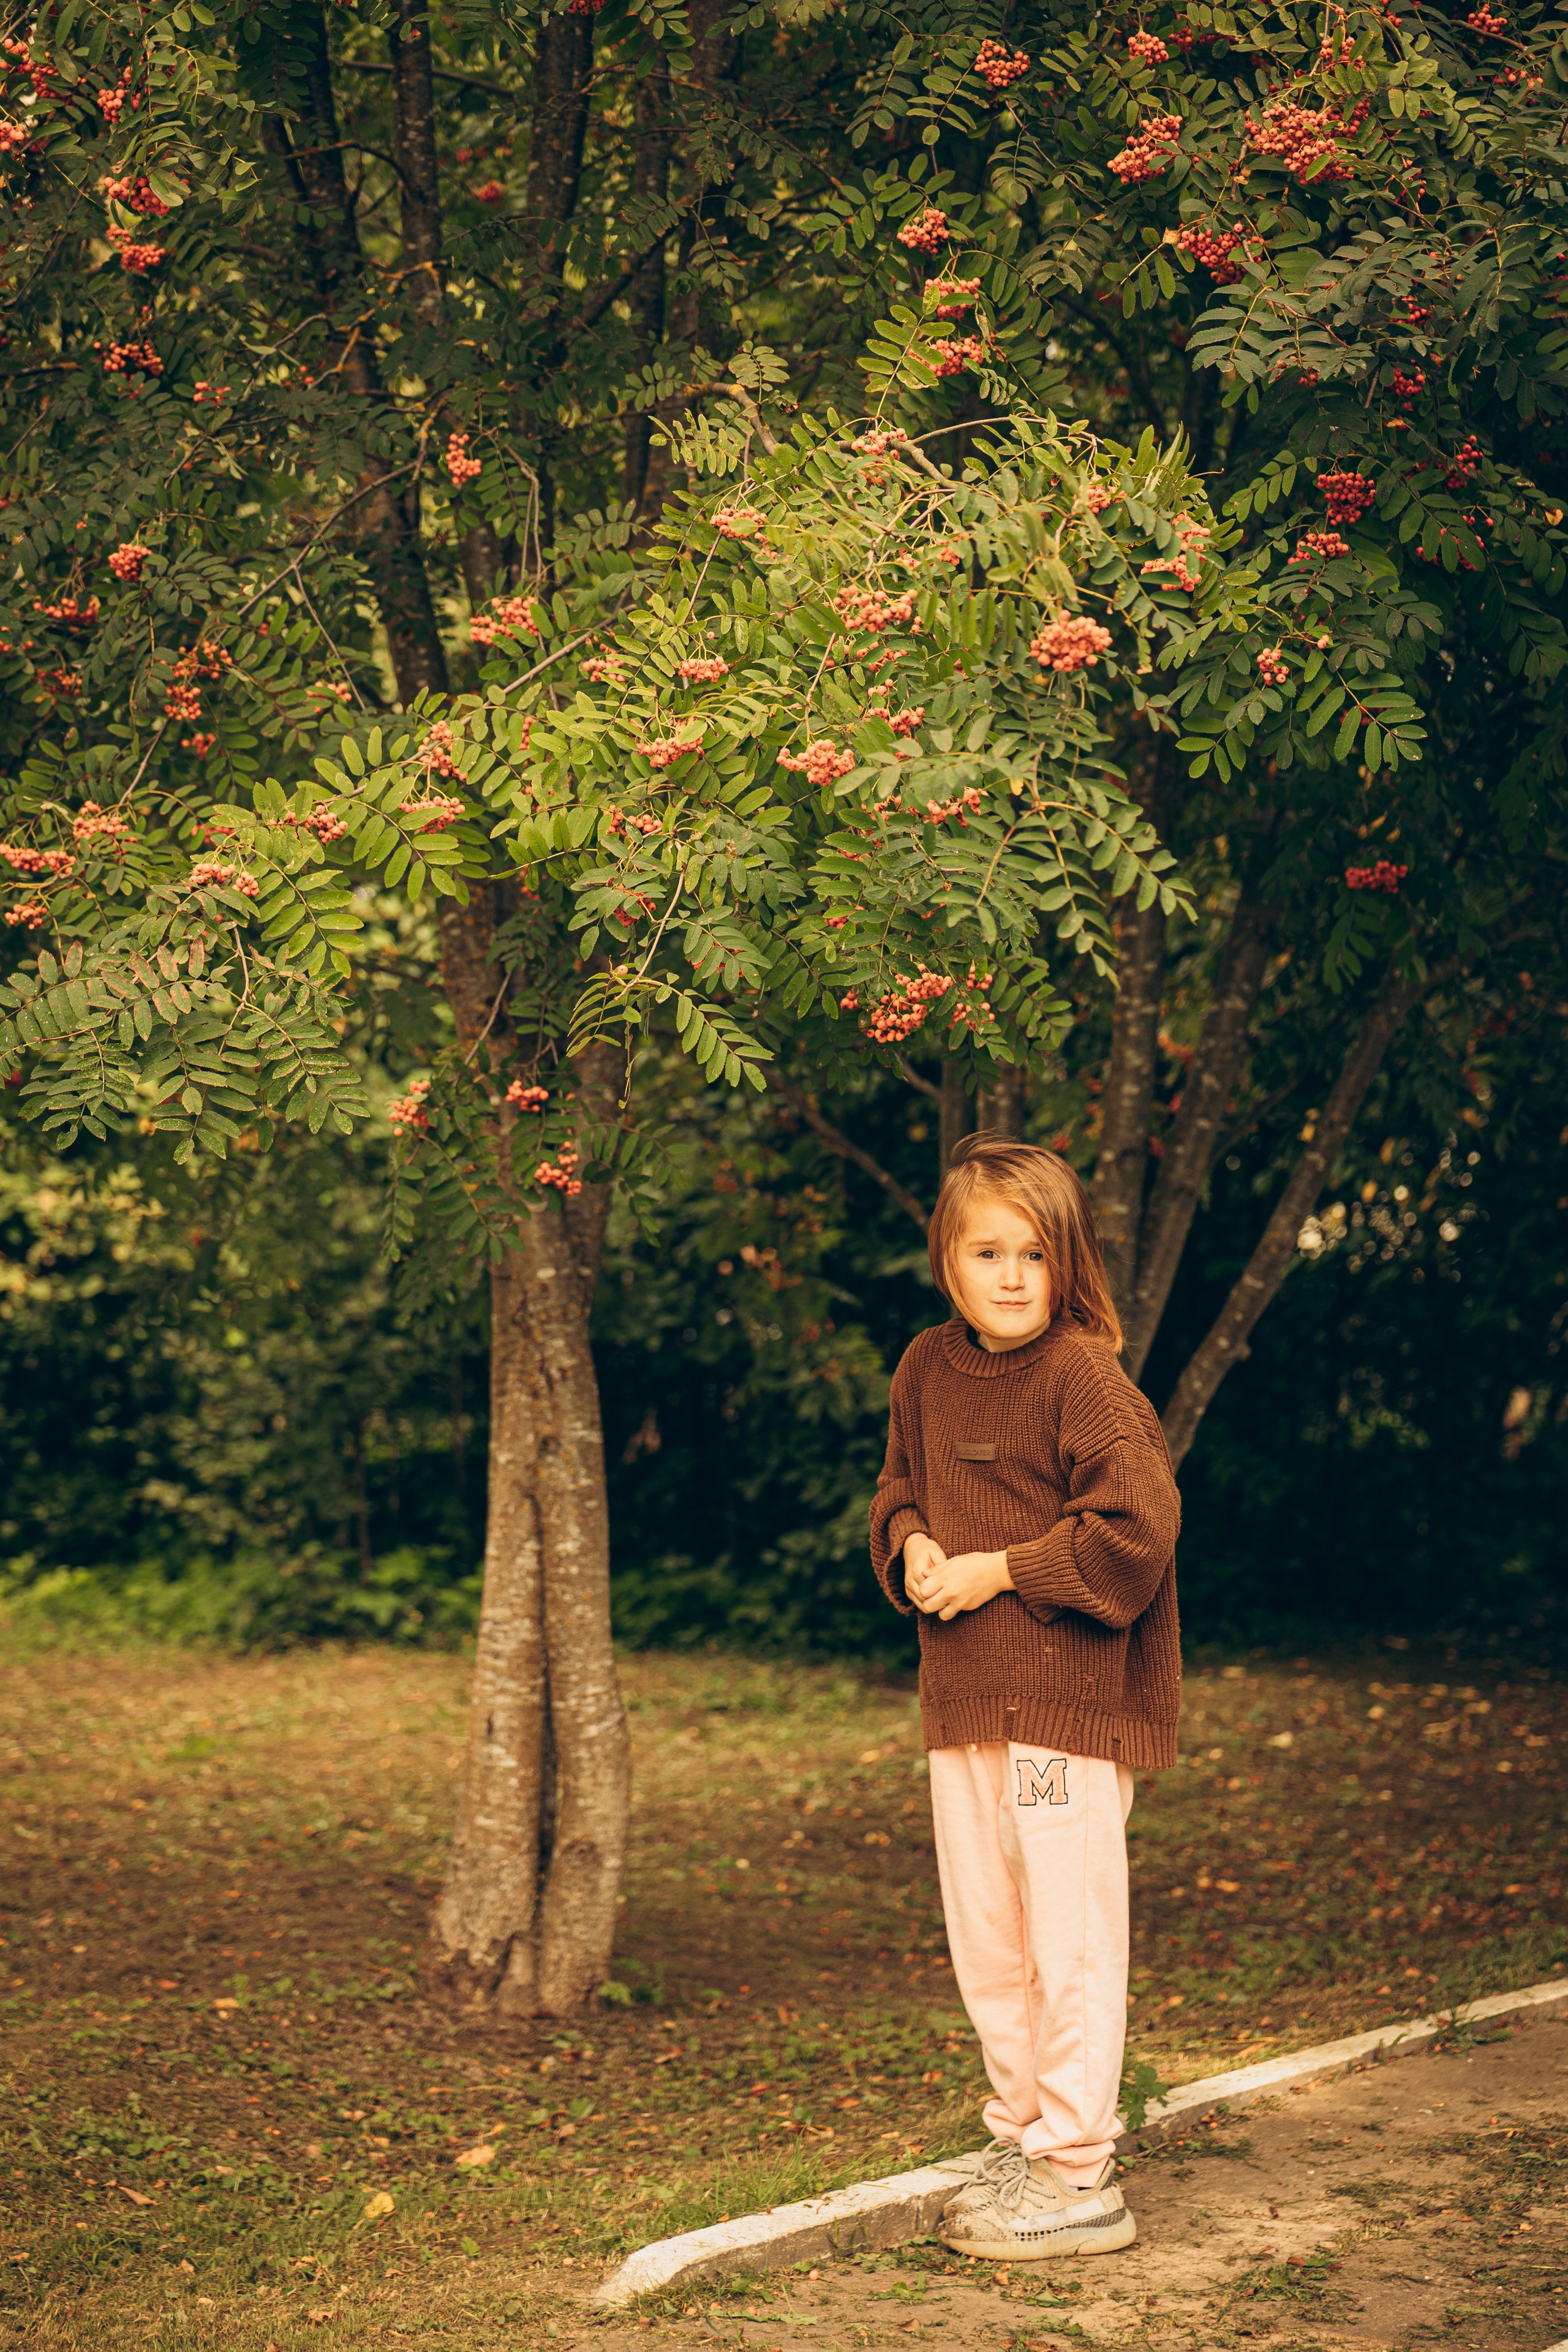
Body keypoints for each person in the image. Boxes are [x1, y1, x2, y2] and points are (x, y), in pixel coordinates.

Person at [869, 1134, 1182, 2261]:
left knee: (1071, 1938)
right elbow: (900, 1486)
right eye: (986, 1252)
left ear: (1067, 1267)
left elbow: (1138, 1530)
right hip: (962, 1700)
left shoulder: (1083, 1379)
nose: (1009, 1276)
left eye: (1034, 1256)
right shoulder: (922, 1368)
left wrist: (996, 1570)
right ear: (947, 1264)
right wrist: (908, 1544)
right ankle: (1028, 2135)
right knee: (991, 1941)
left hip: (1063, 1705)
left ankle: (1081, 2173)